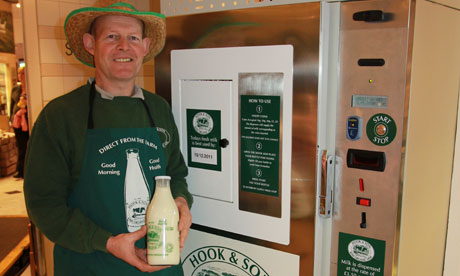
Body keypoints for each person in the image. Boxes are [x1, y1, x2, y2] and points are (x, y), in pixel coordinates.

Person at [24, 3, 193, 275]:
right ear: (91, 44)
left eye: (133, 38)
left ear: (145, 46)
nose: (124, 47)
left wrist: (182, 202)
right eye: (112, 36)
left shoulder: (159, 108)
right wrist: (106, 242)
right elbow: (44, 204)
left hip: (161, 266)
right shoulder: (60, 115)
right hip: (90, 265)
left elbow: (175, 174)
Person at [10, 66, 29, 179]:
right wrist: (11, 119)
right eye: (19, 74)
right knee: (21, 146)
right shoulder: (15, 89)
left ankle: (27, 169)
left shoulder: (32, 87)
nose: (20, 76)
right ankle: (20, 169)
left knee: (29, 145)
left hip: (27, 120)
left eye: (23, 73)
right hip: (17, 121)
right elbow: (12, 105)